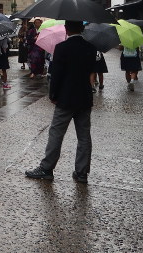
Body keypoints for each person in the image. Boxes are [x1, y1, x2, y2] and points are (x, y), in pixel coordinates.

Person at [25, 20, 97, 184]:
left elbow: (56, 75)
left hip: (65, 97)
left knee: (56, 133)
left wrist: (53, 95)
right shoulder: (91, 48)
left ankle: (47, 168)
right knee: (84, 135)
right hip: (84, 97)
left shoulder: (62, 48)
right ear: (82, 29)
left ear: (66, 29)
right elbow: (92, 72)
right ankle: (81, 173)